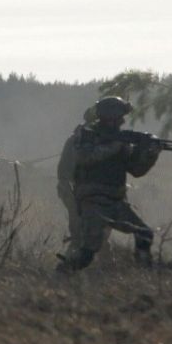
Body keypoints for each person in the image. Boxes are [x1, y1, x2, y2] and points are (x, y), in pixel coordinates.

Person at [57, 96, 161, 272]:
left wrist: (149, 153)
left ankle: (144, 273)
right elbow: (85, 158)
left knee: (144, 234)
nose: (121, 121)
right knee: (87, 252)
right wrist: (115, 146)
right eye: (118, 117)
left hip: (116, 201)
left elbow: (136, 170)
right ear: (109, 117)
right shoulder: (86, 136)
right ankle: (61, 275)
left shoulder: (119, 139)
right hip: (93, 202)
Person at [56, 106, 97, 249]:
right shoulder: (78, 140)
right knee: (81, 231)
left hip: (86, 192)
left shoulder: (78, 138)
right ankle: (70, 264)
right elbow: (64, 172)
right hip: (76, 191)